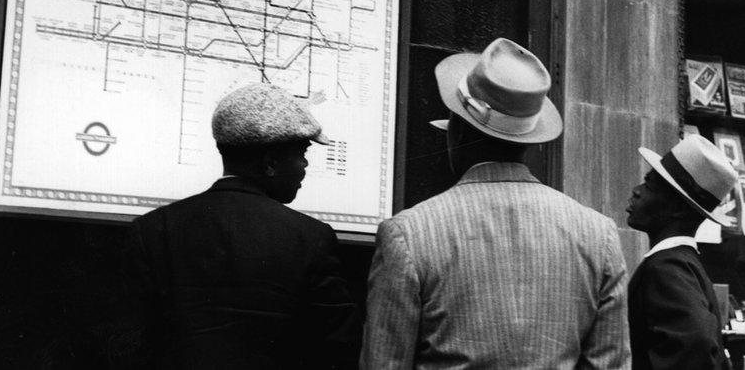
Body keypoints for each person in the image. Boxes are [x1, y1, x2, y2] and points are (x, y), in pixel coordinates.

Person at [361, 38, 630, 369]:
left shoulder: (408, 234)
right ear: (527, 141)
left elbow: (384, 363)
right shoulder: (598, 235)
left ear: (456, 132)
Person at [123, 82, 359, 369]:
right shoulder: (311, 238)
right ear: (270, 162)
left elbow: (130, 342)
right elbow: (337, 348)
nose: (305, 165)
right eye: (302, 153)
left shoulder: (151, 230)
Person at [626, 134, 738, 370]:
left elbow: (695, 343)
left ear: (677, 209)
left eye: (649, 186)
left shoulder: (666, 267)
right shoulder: (683, 262)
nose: (637, 191)